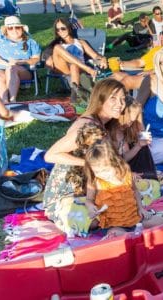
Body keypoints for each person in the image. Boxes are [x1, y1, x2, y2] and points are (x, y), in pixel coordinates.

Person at [44, 79, 126, 225]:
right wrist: (87, 163)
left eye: (122, 99)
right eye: (113, 98)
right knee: (98, 220)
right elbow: (50, 155)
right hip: (67, 192)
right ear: (100, 99)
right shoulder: (86, 127)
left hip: (89, 188)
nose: (120, 104)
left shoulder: (104, 124)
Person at [83, 140, 163, 237]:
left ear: (114, 162)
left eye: (105, 170)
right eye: (97, 172)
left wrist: (141, 208)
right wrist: (90, 206)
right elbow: (88, 200)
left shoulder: (126, 175)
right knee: (113, 235)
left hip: (135, 217)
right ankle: (135, 235)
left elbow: (135, 191)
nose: (102, 174)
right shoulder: (94, 182)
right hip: (114, 224)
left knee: (162, 221)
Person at [113, 24, 163, 100]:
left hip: (159, 77)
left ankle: (119, 104)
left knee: (128, 80)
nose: (160, 37)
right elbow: (139, 62)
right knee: (116, 76)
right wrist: (121, 63)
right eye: (160, 34)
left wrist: (152, 71)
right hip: (143, 73)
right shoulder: (156, 49)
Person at [44, 17, 108, 102]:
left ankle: (74, 97)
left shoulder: (81, 42)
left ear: (69, 27)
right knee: (57, 48)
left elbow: (95, 56)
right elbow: (45, 56)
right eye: (58, 30)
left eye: (63, 28)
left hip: (78, 69)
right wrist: (48, 57)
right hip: (63, 69)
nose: (60, 31)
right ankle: (87, 69)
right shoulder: (56, 44)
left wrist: (103, 58)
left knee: (74, 65)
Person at [0, 16, 41, 103]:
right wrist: (6, 64)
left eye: (17, 27)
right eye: (10, 28)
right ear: (6, 30)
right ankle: (4, 101)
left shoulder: (31, 42)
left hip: (22, 71)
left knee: (12, 69)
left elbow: (36, 59)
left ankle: (12, 100)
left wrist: (20, 62)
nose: (14, 30)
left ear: (22, 28)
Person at [110, 97, 157, 179]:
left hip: (122, 168)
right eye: (127, 120)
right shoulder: (109, 131)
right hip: (111, 172)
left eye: (132, 121)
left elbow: (124, 157)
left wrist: (139, 145)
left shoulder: (123, 132)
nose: (129, 124)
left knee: (143, 149)